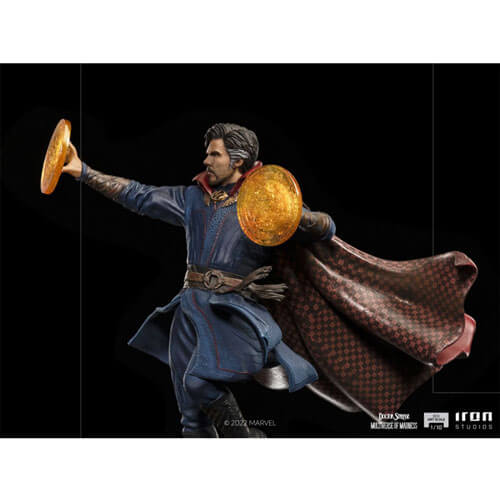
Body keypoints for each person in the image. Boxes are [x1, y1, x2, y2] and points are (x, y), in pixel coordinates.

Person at [63, 123, 335, 438]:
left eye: (214, 154)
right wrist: (83, 171)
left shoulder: (264, 200)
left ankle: (244, 441)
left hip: (233, 313)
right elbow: (140, 195)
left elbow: (326, 228)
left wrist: (298, 216)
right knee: (190, 416)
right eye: (208, 154)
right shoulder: (193, 198)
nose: (206, 160)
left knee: (198, 382)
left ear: (237, 160)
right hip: (189, 310)